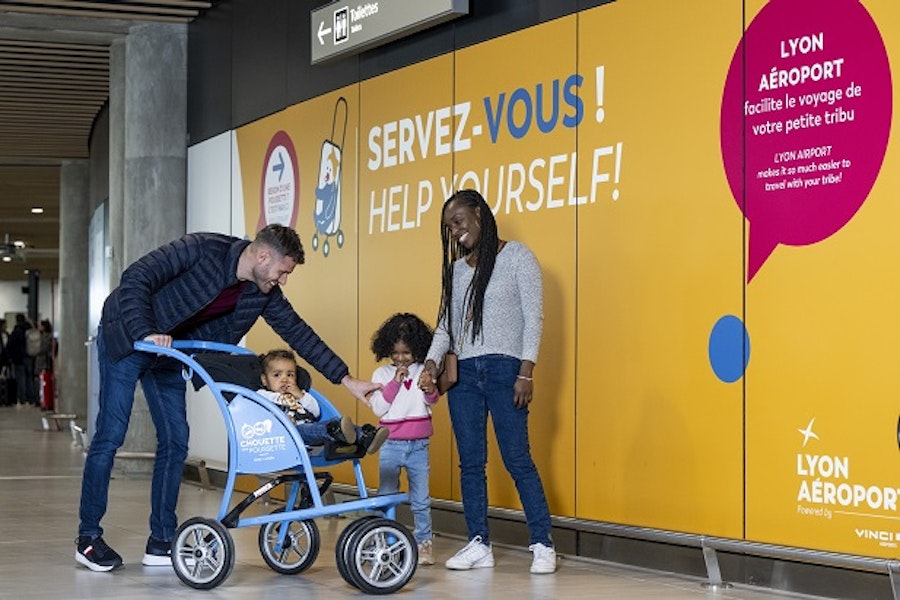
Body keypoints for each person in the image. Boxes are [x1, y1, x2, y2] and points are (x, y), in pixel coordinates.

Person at [76, 224, 381, 573]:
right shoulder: (202, 249)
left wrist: (346, 379)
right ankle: (88, 538)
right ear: (263, 256)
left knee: (175, 441)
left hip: (172, 352)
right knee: (111, 435)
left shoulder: (261, 292)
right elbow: (136, 278)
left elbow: (299, 333)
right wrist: (146, 331)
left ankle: (161, 541)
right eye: (283, 272)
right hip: (130, 335)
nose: (283, 281)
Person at [420, 189, 557, 574]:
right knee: (471, 464)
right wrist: (430, 364)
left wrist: (526, 371)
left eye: (458, 222)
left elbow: (534, 317)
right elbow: (446, 326)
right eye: (449, 228)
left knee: (517, 458)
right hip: (463, 376)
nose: (455, 232)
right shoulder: (457, 271)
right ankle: (479, 543)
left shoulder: (518, 256)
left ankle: (543, 543)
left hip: (505, 371)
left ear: (478, 213)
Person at [369, 313, 439, 566]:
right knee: (387, 495)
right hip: (390, 444)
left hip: (419, 446)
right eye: (395, 353)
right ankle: (383, 540)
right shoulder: (381, 374)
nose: (400, 358)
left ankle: (424, 543)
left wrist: (430, 388)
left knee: (421, 499)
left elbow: (432, 401)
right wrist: (394, 384)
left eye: (406, 353)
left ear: (417, 349)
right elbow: (378, 408)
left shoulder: (423, 371)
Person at [257, 348, 388, 454]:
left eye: (290, 375)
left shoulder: (301, 394)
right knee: (319, 428)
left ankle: (365, 436)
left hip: (311, 428)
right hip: (290, 434)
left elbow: (316, 412)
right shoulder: (262, 396)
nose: (285, 379)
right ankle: (337, 432)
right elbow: (258, 418)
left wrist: (300, 395)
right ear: (264, 380)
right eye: (277, 375)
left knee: (334, 421)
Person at [7, 314, 36, 406]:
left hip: (19, 358)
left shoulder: (17, 331)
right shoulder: (29, 330)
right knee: (29, 378)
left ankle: (22, 399)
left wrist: (10, 356)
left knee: (21, 379)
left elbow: (10, 344)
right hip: (29, 356)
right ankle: (31, 398)